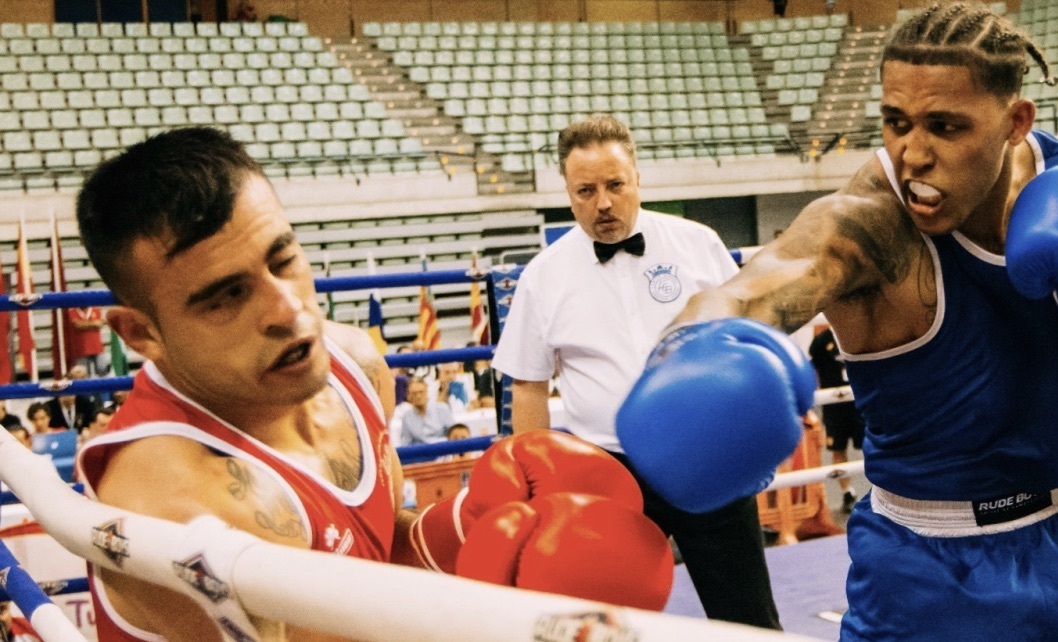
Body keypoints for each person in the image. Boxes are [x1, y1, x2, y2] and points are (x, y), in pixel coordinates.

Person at [616, 4, 1058, 641]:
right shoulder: (866, 226)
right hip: (932, 575)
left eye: (945, 127)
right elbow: (747, 293)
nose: (912, 154)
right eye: (896, 123)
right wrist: (694, 349)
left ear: (1016, 122)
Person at [72, 128, 674, 640]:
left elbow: (380, 552)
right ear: (142, 334)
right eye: (227, 296)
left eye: (283, 260)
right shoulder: (177, 514)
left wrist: (470, 525)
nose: (288, 310)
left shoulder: (353, 365)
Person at [492, 115, 782, 629]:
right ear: (568, 193)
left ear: (637, 179)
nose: (602, 203)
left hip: (705, 455)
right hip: (607, 471)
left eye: (615, 185)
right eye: (585, 191)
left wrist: (750, 442)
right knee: (601, 622)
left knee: (748, 620)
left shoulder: (697, 244)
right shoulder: (543, 276)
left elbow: (743, 343)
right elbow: (529, 385)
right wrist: (538, 492)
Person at [808, 326, 864, 512]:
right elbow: (811, 367)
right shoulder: (821, 342)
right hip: (834, 408)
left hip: (860, 402)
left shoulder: (858, 331)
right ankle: (847, 492)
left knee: (872, 446)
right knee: (838, 450)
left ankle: (881, 490)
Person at [398, 376, 454, 445]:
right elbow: (405, 443)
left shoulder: (442, 409)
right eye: (414, 393)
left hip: (443, 448)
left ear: (427, 392)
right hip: (421, 450)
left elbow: (453, 434)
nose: (418, 396)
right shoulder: (407, 417)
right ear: (409, 396)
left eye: (421, 392)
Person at [67, 306, 107, 376]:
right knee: (83, 374)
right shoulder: (72, 312)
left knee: (102, 370)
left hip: (97, 347)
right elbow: (78, 325)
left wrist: (84, 323)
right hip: (81, 349)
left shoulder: (96, 310)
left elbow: (99, 324)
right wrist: (93, 323)